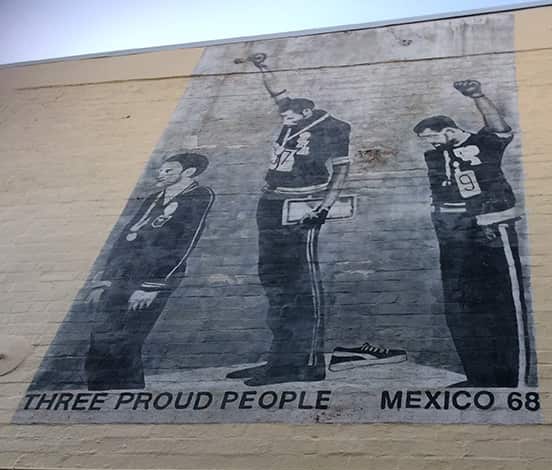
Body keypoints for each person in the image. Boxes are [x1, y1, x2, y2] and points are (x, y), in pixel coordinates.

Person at [227, 53, 351, 386]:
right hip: (271, 202)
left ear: (307, 113)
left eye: (291, 113)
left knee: (299, 287)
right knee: (275, 283)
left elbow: (341, 171)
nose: (285, 116)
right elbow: (278, 92)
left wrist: (323, 208)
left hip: (301, 207)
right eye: (284, 113)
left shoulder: (333, 128)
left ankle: (305, 364)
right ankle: (280, 358)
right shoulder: (291, 119)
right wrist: (262, 66)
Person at [413, 80, 534, 387]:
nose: (431, 145)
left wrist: (478, 96)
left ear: (449, 130)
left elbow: (501, 128)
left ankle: (511, 381)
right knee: (462, 303)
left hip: (489, 227)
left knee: (502, 301)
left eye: (433, 138)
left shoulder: (484, 143)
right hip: (452, 232)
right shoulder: (434, 156)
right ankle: (479, 376)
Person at [84, 153, 215, 390]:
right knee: (102, 334)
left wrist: (152, 286)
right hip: (120, 274)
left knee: (128, 337)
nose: (161, 174)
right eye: (161, 170)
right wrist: (104, 280)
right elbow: (124, 238)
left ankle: (126, 392)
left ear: (188, 172)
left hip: (153, 276)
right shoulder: (154, 198)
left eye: (168, 171)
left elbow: (185, 242)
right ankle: (99, 390)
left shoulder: (199, 196)